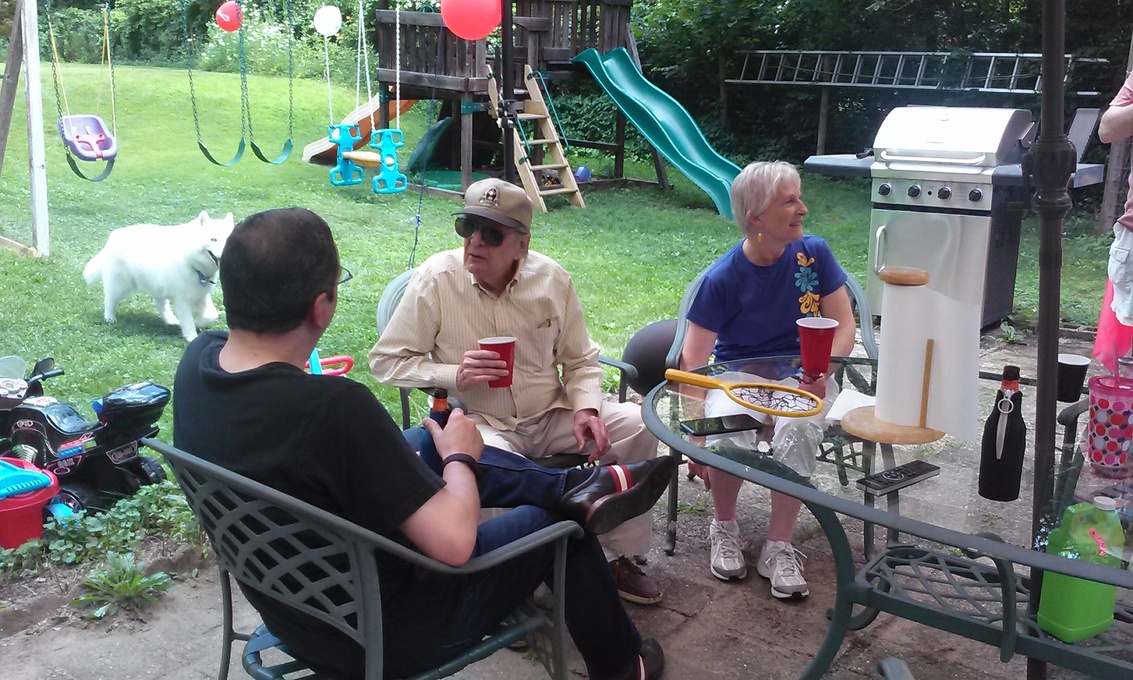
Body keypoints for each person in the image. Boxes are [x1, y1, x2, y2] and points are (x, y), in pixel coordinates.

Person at [172, 207, 671, 680]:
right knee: (559, 529)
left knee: (424, 439)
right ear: (322, 307)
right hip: (386, 632)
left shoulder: (200, 361)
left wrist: (443, 449)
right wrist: (460, 459)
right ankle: (624, 664)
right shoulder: (333, 409)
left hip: (296, 609)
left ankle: (575, 485)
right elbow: (455, 544)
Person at [369, 179, 666, 605]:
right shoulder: (436, 279)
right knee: (474, 461)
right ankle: (504, 587)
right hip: (479, 420)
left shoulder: (550, 280)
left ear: (521, 245)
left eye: (491, 234)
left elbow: (581, 360)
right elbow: (386, 361)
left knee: (637, 425)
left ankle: (614, 556)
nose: (475, 242)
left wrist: (585, 409)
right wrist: (455, 372)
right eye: (467, 226)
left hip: (548, 412)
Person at [679, 161, 856, 599]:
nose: (804, 208)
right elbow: (694, 363)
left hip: (806, 375)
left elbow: (845, 326)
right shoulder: (722, 279)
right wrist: (696, 435)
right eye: (790, 200)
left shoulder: (814, 256)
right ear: (756, 217)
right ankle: (723, 528)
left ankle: (779, 546)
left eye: (799, 197)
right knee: (729, 425)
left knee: (798, 425)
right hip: (739, 378)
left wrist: (820, 374)